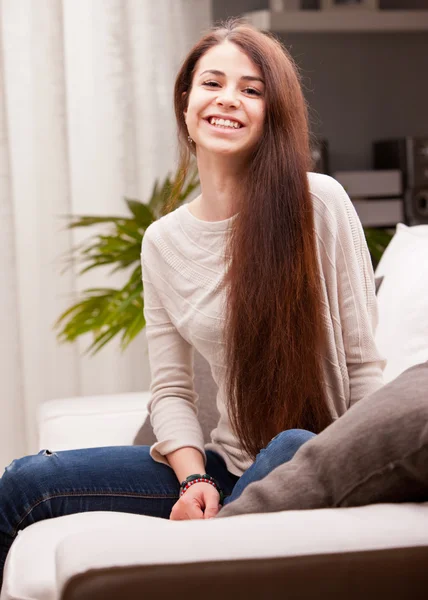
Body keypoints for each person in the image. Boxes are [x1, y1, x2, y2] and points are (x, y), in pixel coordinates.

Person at [0, 19, 385, 588]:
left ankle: (215, 546)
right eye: (213, 83)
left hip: (311, 464)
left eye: (252, 90)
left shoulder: (318, 203)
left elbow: (363, 364)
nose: (229, 99)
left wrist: (370, 476)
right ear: (186, 101)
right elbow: (172, 391)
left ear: (271, 112)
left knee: (292, 443)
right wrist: (191, 480)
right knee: (24, 482)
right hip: (223, 467)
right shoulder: (163, 241)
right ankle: (220, 522)